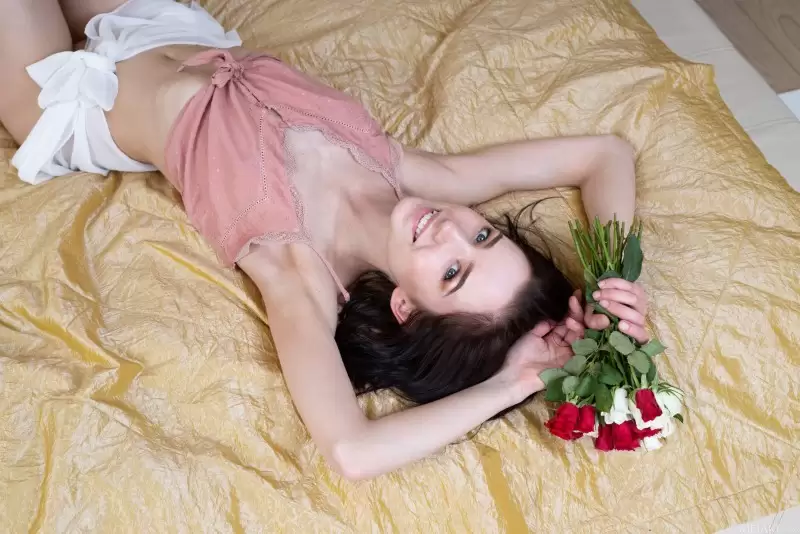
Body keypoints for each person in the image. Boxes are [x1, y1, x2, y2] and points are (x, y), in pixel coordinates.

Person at [0, 0, 650, 480]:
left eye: (452, 272)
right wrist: (611, 286)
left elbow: (351, 452)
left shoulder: (297, 275)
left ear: (405, 306)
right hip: (158, 23)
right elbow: (605, 154)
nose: (450, 230)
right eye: (483, 234)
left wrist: (512, 383)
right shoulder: (414, 172)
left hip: (65, 103)